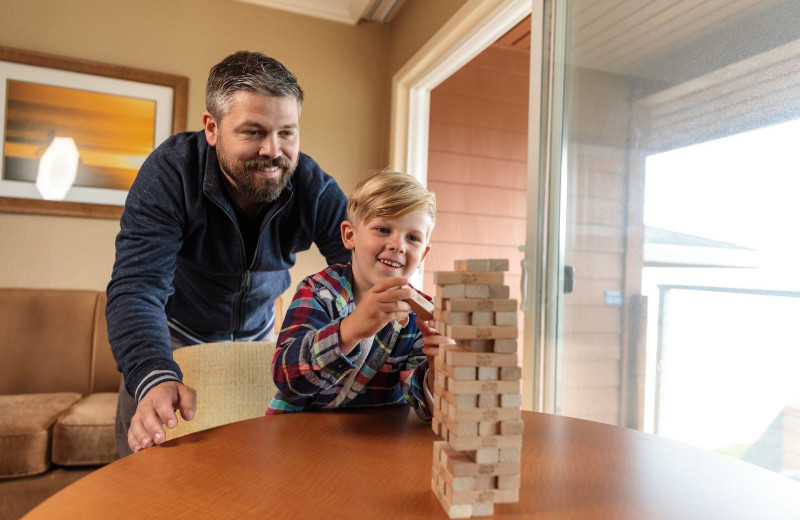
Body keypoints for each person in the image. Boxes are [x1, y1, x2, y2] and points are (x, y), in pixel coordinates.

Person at [106, 51, 350, 455]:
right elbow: (137, 288)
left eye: (287, 132)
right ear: (212, 128)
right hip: (169, 339)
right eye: (253, 132)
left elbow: (356, 270)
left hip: (259, 341)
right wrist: (152, 374)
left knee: (253, 471)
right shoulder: (170, 172)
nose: (273, 151)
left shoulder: (312, 185)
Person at [267, 170, 449, 419]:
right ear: (349, 235)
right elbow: (286, 377)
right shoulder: (319, 292)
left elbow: (428, 411)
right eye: (383, 229)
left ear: (423, 256)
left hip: (378, 442)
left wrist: (438, 364)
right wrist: (349, 331)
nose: (398, 245)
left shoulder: (422, 316)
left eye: (413, 237)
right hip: (301, 437)